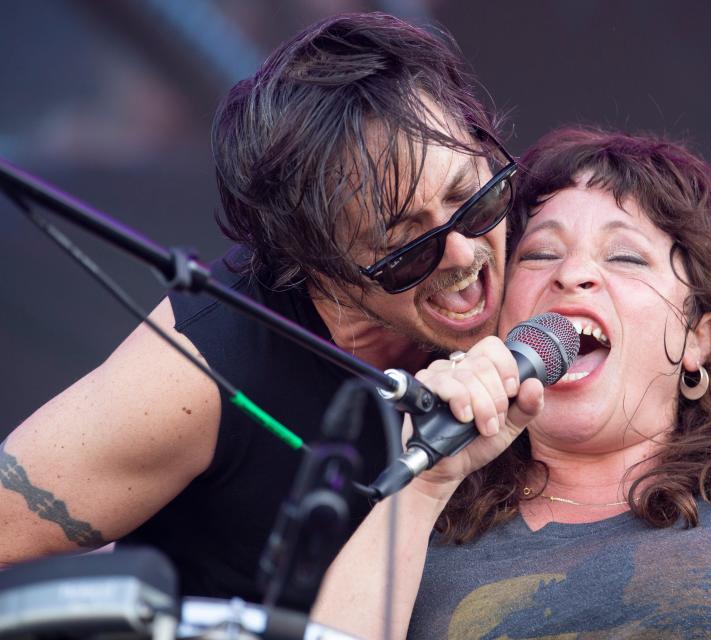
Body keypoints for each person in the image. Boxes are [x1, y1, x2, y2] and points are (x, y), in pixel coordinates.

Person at [312, 127, 711, 638]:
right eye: (539, 253)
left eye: (624, 256)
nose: (572, 276)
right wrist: (421, 487)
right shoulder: (416, 542)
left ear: (698, 337)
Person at [0, 12, 516, 610]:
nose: (461, 251)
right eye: (404, 245)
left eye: (471, 198)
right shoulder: (198, 374)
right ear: (316, 263)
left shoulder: (543, 242)